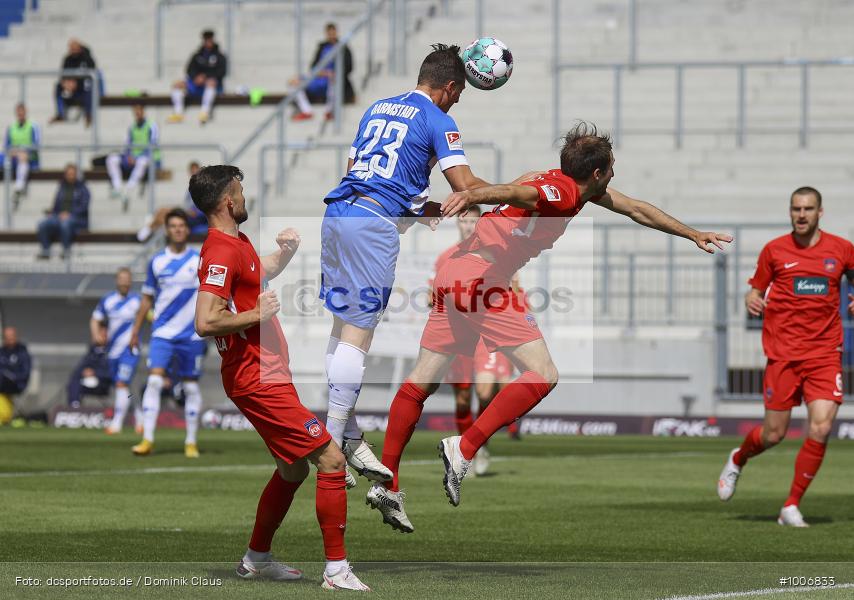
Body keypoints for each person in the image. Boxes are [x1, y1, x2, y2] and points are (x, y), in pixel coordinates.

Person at [366, 121, 733, 533]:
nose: (614, 175)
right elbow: (516, 193)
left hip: (454, 272)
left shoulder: (562, 182)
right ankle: (464, 446)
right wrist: (470, 195)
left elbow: (635, 208)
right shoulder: (559, 193)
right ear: (597, 173)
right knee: (544, 374)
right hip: (483, 279)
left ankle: (389, 481)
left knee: (422, 381)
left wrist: (692, 233)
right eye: (611, 169)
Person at [319, 43, 491, 489]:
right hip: (372, 224)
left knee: (341, 329)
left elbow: (363, 168)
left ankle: (349, 433)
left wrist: (420, 206)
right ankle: (332, 443)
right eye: (458, 94)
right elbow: (466, 185)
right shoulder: (439, 118)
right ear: (449, 87)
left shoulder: (378, 106)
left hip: (338, 212)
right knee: (358, 335)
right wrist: (521, 196)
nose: (456, 102)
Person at [191, 165, 370, 590]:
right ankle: (336, 570)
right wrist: (257, 314)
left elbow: (256, 271)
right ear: (229, 202)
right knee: (331, 460)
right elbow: (205, 320)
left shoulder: (239, 243)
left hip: (267, 374)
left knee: (293, 471)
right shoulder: (220, 250)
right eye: (240, 191)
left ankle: (256, 559)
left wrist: (284, 253)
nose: (245, 197)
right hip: (256, 378)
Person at [717, 187, 854, 527]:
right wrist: (751, 299)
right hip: (783, 356)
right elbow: (756, 289)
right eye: (796, 208)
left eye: (808, 208)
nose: (802, 214)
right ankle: (738, 457)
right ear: (790, 212)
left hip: (825, 354)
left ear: (820, 212)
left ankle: (791, 505)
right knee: (773, 435)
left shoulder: (841, 249)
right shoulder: (774, 251)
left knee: (821, 427)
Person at [129, 209, 206, 458]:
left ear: (187, 229)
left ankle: (191, 442)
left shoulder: (199, 261)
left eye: (182, 225)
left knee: (191, 388)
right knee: (153, 381)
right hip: (162, 332)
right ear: (167, 230)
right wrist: (135, 331)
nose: (178, 229)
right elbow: (146, 299)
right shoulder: (157, 261)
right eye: (173, 226)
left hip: (192, 335)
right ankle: (147, 439)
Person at [89, 267, 143, 434]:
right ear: (117, 280)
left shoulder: (138, 300)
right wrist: (96, 333)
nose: (125, 281)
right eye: (122, 278)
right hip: (113, 352)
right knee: (124, 386)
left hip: (130, 350)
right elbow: (95, 319)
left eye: (127, 278)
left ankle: (117, 423)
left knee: (121, 383)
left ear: (131, 281)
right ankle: (140, 417)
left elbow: (152, 316)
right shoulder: (108, 300)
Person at [290, 23, 355, 121]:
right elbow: (313, 67)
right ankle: (306, 111)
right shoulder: (322, 47)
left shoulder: (343, 48)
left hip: (333, 81)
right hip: (320, 79)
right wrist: (324, 73)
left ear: (336, 33)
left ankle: (329, 111)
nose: (331, 35)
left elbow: (348, 68)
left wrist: (333, 74)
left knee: (334, 80)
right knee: (293, 82)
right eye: (329, 33)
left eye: (333, 33)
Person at [136, 162, 207, 243]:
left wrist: (194, 212)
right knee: (163, 212)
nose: (194, 174)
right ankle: (150, 231)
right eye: (192, 172)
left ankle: (147, 231)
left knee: (164, 213)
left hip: (195, 218)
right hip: (187, 213)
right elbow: (187, 205)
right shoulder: (191, 189)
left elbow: (205, 207)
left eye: (196, 172)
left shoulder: (203, 188)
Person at [168, 30, 227, 125]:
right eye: (206, 40)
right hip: (197, 85)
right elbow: (189, 70)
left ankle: (204, 112)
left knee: (211, 82)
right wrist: (196, 78)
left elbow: (221, 72)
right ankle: (178, 113)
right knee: (177, 84)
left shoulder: (219, 56)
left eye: (210, 40)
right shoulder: (197, 56)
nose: (208, 42)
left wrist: (206, 77)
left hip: (212, 85)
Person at [106, 104, 160, 207]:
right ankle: (118, 187)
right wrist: (128, 156)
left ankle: (129, 188)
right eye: (136, 112)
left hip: (148, 157)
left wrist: (137, 157)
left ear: (143, 112)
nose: (138, 114)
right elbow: (127, 145)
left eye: (139, 111)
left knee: (142, 161)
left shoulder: (152, 125)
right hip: (132, 158)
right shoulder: (132, 127)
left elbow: (153, 144)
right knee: (111, 159)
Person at [36, 164, 90, 260]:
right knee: (42, 224)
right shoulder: (61, 188)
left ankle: (66, 250)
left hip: (77, 218)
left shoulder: (83, 189)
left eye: (72, 174)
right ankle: (46, 251)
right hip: (59, 216)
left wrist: (69, 214)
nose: (70, 176)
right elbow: (56, 205)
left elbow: (83, 207)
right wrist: (53, 213)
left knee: (65, 224)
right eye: (68, 174)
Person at [50, 38, 97, 126]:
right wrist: (66, 83)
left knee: (89, 88)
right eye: (71, 48)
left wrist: (76, 83)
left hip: (83, 87)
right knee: (58, 87)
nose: (72, 50)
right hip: (70, 88)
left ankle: (88, 115)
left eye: (74, 47)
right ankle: (60, 113)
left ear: (79, 47)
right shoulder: (67, 59)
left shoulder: (87, 58)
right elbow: (63, 74)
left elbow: (92, 74)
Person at [4, 103, 40, 208]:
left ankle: (19, 187)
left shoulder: (32, 126)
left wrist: (24, 151)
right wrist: (14, 152)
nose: (20, 114)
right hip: (14, 155)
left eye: (22, 112)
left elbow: (36, 145)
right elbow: (7, 146)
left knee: (23, 156)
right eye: (19, 112)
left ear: (25, 112)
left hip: (30, 156)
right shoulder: (11, 127)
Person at [0, 327, 32, 417]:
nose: (9, 338)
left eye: (11, 336)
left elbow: (25, 373)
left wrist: (12, 376)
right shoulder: (1, 352)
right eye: (7, 336)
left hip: (16, 384)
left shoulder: (22, 353)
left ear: (16, 337)